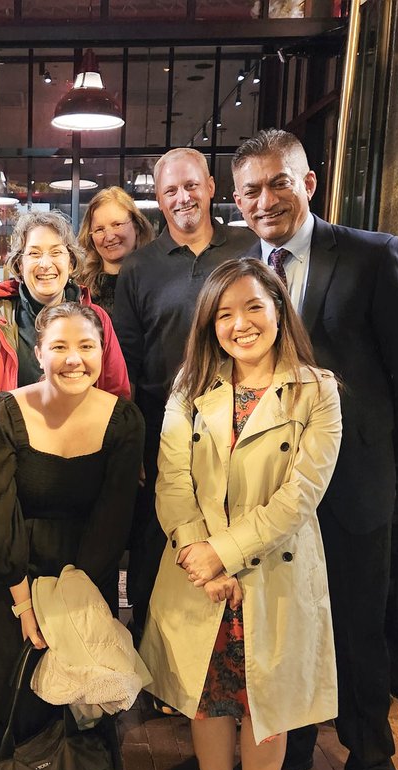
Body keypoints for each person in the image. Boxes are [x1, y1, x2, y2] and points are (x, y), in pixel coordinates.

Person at [232, 129, 398, 770]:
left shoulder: (372, 256)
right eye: (252, 189)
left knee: (356, 631)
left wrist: (378, 453)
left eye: (279, 183)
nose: (267, 200)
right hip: (272, 494)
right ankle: (288, 744)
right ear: (238, 200)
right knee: (280, 626)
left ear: (309, 183)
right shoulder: (240, 276)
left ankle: (372, 767)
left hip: (352, 491)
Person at [140, 258, 341, 770]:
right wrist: (201, 556)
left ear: (279, 310)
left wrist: (225, 553)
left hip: (271, 576)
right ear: (209, 325)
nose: (240, 323)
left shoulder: (317, 390)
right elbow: (172, 482)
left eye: (254, 307)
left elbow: (301, 495)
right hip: (199, 576)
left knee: (263, 705)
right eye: (224, 313)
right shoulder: (189, 389)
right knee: (209, 705)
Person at [0, 302, 143, 760]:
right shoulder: (1, 414)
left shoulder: (124, 420)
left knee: (84, 703)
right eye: (59, 347)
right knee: (16, 696)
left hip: (85, 574)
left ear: (102, 353)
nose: (74, 359)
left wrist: (73, 602)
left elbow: (114, 518)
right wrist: (26, 605)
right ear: (39, 353)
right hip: (10, 575)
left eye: (87, 346)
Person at [112, 149, 255, 645]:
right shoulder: (139, 267)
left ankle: (224, 653)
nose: (182, 197)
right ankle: (155, 657)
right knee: (158, 541)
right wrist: (133, 443)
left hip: (241, 420)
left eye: (191, 185)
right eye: (170, 190)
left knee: (229, 532)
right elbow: (126, 360)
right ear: (158, 198)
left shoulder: (248, 248)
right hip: (161, 425)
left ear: (212, 187)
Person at [0, 210, 131, 478]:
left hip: (84, 462)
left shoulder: (96, 320)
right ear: (19, 264)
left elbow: (117, 395)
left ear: (71, 262)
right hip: (11, 465)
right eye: (34, 253)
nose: (45, 264)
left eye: (56, 252)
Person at [76, 186, 155, 312]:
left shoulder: (159, 280)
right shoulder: (78, 289)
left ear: (136, 226)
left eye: (117, 225)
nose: (109, 236)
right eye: (99, 229)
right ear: (90, 236)